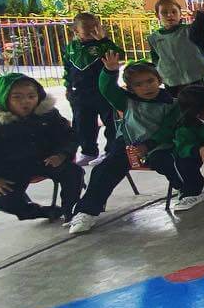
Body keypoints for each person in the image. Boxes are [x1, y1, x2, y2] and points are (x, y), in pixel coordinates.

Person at [68, 56, 181, 235]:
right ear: (130, 88)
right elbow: (107, 89)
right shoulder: (126, 100)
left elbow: (169, 130)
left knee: (167, 161)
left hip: (160, 145)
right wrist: (110, 71)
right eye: (138, 84)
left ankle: (185, 188)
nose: (146, 87)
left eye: (150, 81)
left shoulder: (172, 104)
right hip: (128, 145)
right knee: (104, 170)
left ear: (159, 80)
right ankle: (86, 211)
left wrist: (148, 145)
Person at [0, 73, 83, 222]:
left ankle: (71, 211)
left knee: (74, 173)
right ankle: (39, 211)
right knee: (6, 201)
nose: (26, 102)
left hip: (45, 161)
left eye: (31, 96)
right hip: (11, 169)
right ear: (3, 98)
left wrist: (61, 155)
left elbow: (69, 137)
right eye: (17, 97)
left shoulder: (48, 115)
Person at [63, 11, 120, 165]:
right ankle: (88, 151)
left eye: (95, 27)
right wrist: (68, 86)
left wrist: (104, 40)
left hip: (102, 91)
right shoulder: (71, 48)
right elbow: (67, 68)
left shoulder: (102, 44)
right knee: (83, 123)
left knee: (111, 121)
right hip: (80, 93)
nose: (92, 31)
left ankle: (111, 151)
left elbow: (116, 54)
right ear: (76, 31)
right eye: (87, 28)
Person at [148, 0, 204, 89]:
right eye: (164, 12)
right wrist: (159, 73)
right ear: (157, 15)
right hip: (171, 80)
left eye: (174, 12)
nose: (170, 15)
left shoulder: (189, 30)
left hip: (196, 76)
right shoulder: (154, 38)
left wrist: (202, 17)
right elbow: (155, 59)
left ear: (180, 13)